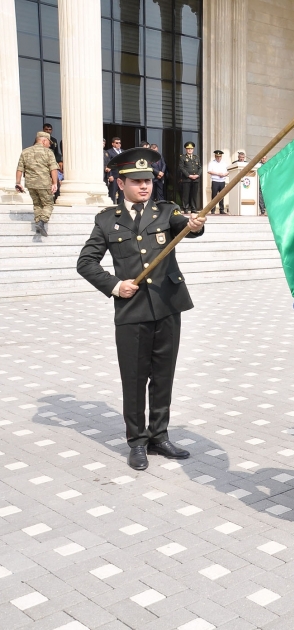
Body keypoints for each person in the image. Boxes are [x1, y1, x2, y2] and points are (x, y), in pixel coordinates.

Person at [76, 147, 207, 471]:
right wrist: (115, 285)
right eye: (136, 181)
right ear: (121, 183)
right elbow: (85, 262)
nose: (144, 186)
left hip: (167, 306)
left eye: (147, 180)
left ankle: (159, 436)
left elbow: (187, 226)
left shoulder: (166, 211)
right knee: (134, 379)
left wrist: (195, 224)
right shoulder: (108, 220)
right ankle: (137, 441)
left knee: (163, 376)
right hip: (132, 311)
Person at [14, 131, 59, 237]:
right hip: (44, 183)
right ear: (44, 141)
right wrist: (54, 183)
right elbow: (53, 168)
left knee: (37, 205)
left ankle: (39, 226)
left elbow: (20, 168)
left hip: (30, 184)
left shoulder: (25, 152)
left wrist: (18, 183)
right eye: (49, 142)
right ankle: (42, 221)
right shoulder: (48, 152)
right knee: (48, 204)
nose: (50, 145)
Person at [179, 141, 202, 214]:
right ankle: (185, 208)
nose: (190, 150)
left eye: (191, 149)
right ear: (186, 149)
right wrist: (189, 175)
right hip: (187, 179)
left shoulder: (196, 157)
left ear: (193, 149)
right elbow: (181, 168)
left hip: (196, 179)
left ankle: (193, 208)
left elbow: (200, 167)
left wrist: (198, 175)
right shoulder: (182, 157)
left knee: (194, 195)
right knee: (186, 194)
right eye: (188, 149)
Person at [207, 149, 229, 214]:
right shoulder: (212, 163)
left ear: (221, 157)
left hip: (222, 181)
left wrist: (225, 174)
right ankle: (213, 210)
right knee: (214, 196)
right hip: (215, 181)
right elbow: (209, 171)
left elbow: (228, 171)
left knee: (221, 196)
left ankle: (221, 209)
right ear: (215, 156)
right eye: (217, 156)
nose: (218, 158)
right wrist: (218, 174)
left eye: (220, 156)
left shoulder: (224, 163)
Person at [105, 137, 124, 204]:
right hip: (114, 176)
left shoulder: (123, 152)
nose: (119, 144)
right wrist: (109, 175)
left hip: (122, 176)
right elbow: (108, 164)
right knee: (112, 193)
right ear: (113, 144)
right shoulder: (109, 152)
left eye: (120, 143)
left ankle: (121, 208)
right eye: (117, 143)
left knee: (122, 193)